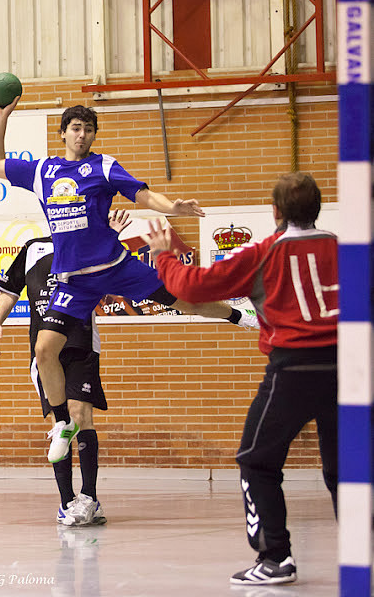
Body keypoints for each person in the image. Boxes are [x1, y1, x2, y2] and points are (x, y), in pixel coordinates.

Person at [0, 100, 258, 465]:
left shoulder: (103, 166)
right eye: (76, 128)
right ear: (63, 133)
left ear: (93, 135)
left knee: (183, 301)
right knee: (43, 351)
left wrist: (172, 208)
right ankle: (63, 424)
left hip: (115, 267)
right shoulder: (43, 171)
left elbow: (143, 194)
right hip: (74, 283)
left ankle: (238, 315)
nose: (82, 135)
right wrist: (2, 117)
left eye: (88, 129)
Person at [143, 172, 338, 586]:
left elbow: (193, 287)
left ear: (276, 212)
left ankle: (275, 558)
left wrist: (163, 256)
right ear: (319, 208)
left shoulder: (264, 254)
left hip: (293, 369)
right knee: (346, 466)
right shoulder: (346, 248)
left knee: (256, 459)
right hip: (348, 368)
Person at [0, 210, 131, 526]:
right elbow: (9, 291)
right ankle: (67, 502)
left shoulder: (89, 244)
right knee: (61, 422)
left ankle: (90, 499)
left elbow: (109, 273)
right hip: (45, 353)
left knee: (81, 415)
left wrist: (109, 238)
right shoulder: (32, 248)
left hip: (80, 344)